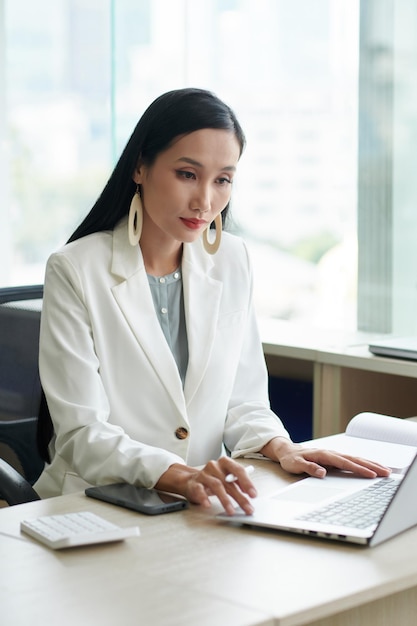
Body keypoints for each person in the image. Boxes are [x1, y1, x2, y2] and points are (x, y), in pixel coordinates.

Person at [34, 87, 390, 516]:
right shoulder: (74, 269)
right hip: (96, 504)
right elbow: (82, 432)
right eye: (188, 174)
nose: (205, 201)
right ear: (140, 167)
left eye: (222, 179)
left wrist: (280, 447)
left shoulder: (232, 259)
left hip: (197, 505)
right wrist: (180, 474)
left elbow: (244, 401)